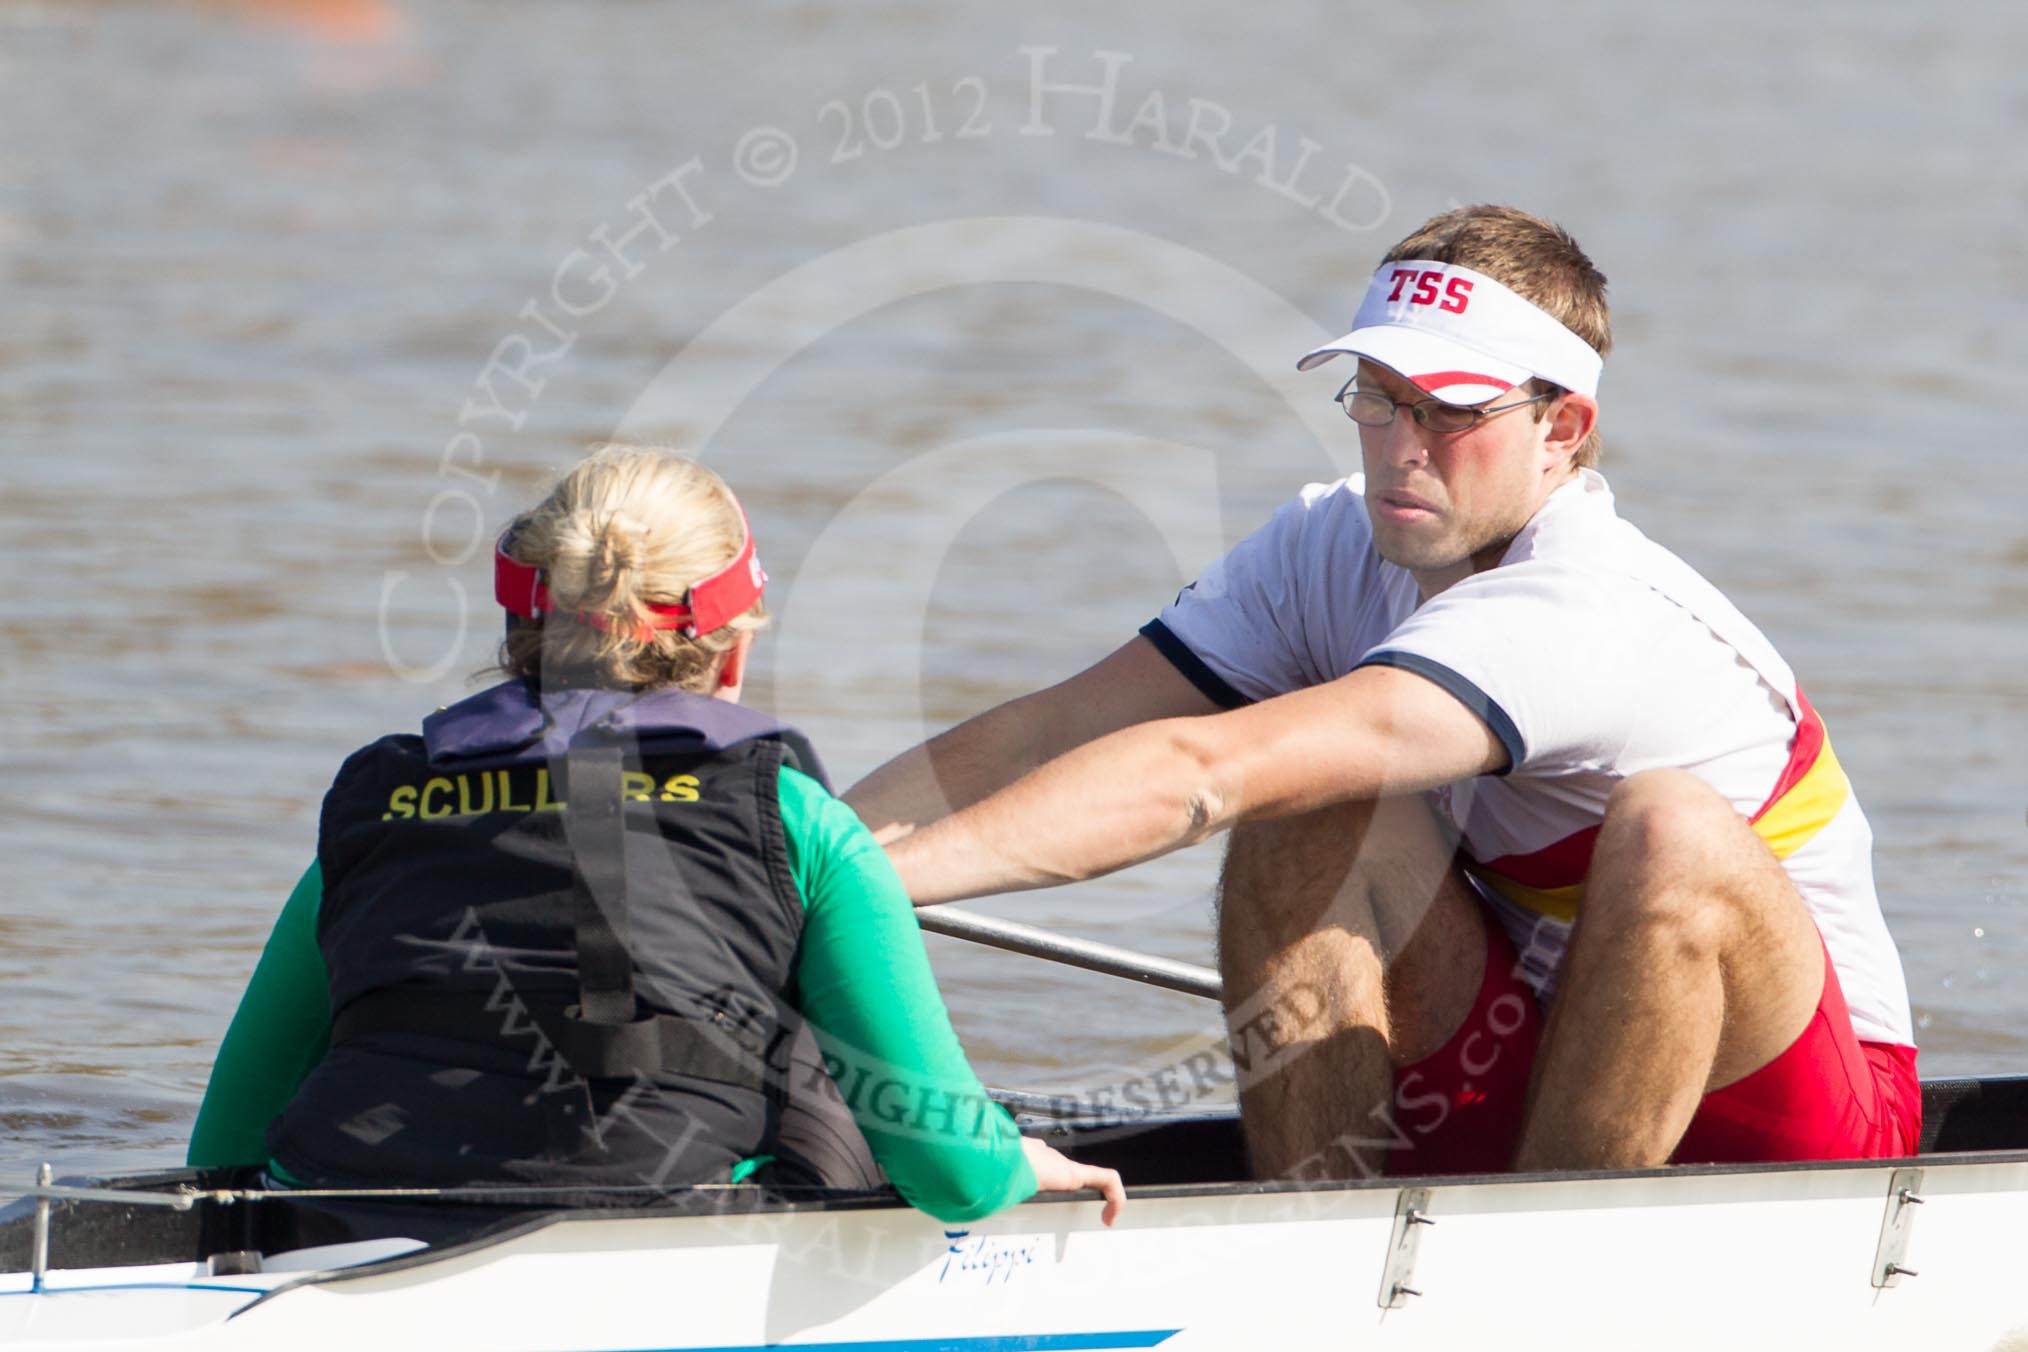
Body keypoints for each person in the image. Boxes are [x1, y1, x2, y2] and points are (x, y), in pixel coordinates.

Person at [846, 205, 1919, 1179]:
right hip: (1539, 1056)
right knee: (1311, 806)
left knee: (1668, 826)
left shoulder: (1587, 607)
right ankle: (1314, 1243)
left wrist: (860, 896)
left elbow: (1199, 772)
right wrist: (800, 856)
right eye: (1378, 396)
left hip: (1801, 1121)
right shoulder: (1325, 544)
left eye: (1449, 412)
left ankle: (1540, 1281)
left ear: (1564, 429)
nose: (1400, 450)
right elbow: (1054, 727)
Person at [188, 445, 1123, 1226]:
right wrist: (1012, 1162)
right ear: (735, 650)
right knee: (816, 1067)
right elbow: (952, 1180)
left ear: (520, 630)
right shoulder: (803, 828)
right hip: (666, 1227)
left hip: (333, 1212)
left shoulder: (376, 803)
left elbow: (221, 1151)